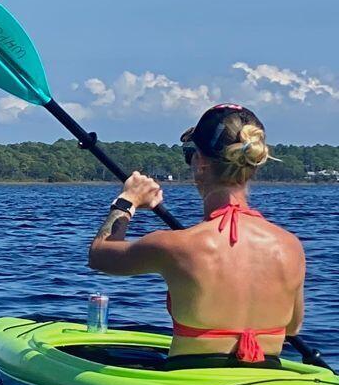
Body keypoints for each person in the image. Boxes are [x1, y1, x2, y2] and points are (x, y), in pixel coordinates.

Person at [89, 104, 304, 368]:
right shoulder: (290, 247)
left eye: (189, 154)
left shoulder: (176, 245)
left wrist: (127, 200)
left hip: (193, 378)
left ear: (200, 162)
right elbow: (292, 327)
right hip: (267, 379)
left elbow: (100, 254)